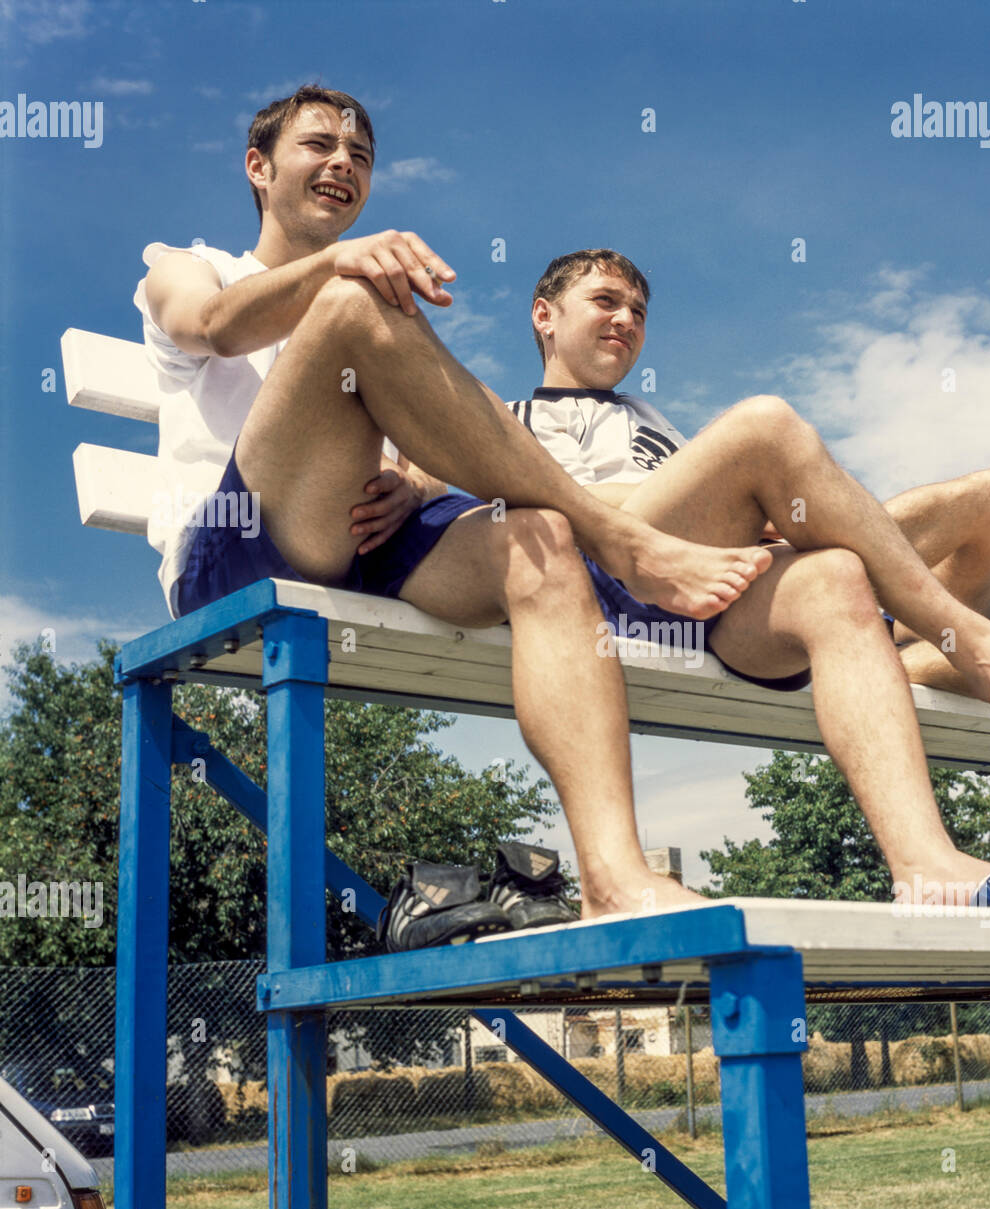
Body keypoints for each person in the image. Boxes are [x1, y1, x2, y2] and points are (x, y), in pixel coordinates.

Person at [134, 85, 773, 943]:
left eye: (359, 156)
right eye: (318, 146)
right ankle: (619, 536)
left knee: (539, 539)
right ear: (258, 167)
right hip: (233, 553)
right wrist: (340, 265)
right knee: (358, 302)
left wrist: (416, 481)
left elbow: (421, 445)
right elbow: (207, 325)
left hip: (357, 541)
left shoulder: (359, 290)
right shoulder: (192, 263)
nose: (342, 164)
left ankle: (614, 876)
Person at [512, 250, 990, 768]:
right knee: (763, 427)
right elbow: (575, 506)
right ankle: (967, 647)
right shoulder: (514, 421)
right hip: (648, 588)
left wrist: (777, 508)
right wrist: (758, 501)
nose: (627, 320)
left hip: (785, 582)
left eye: (638, 311)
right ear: (545, 315)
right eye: (606, 301)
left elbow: (724, 495)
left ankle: (885, 658)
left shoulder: (650, 421)